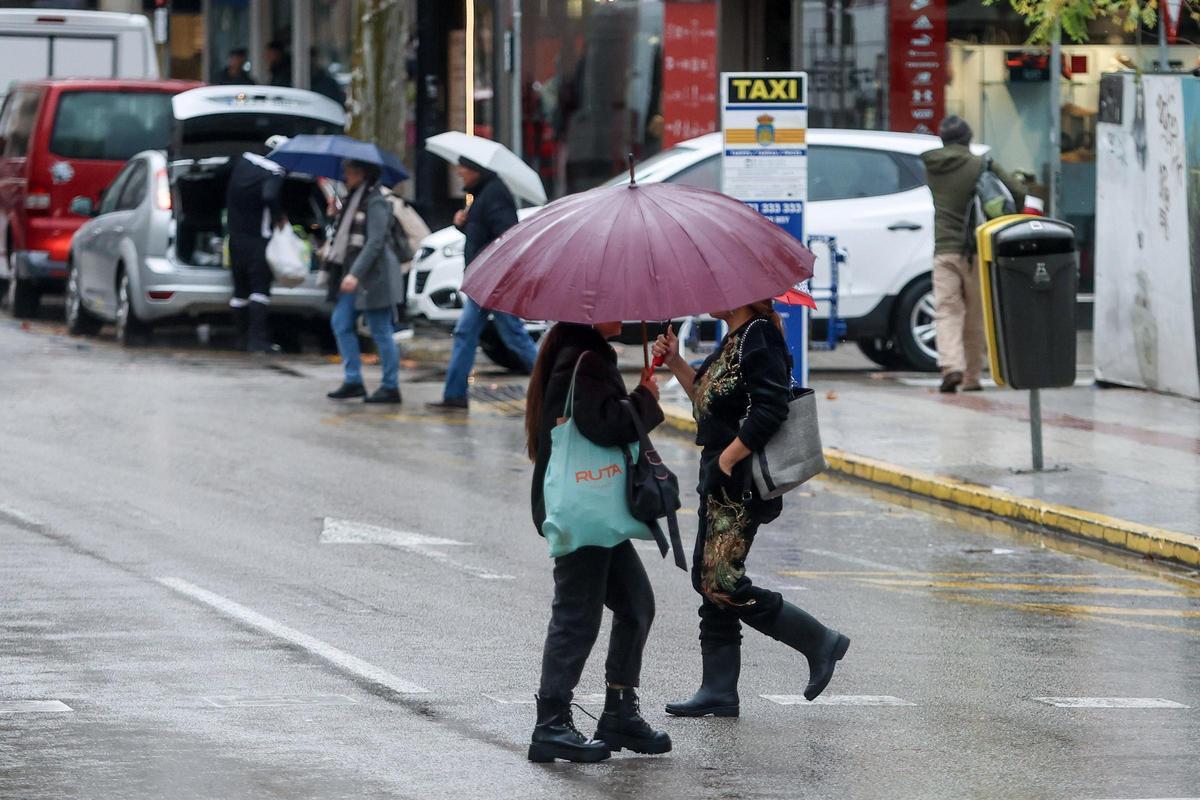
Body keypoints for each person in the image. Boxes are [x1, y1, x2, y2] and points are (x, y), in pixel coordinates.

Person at [653, 303, 850, 718]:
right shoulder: (735, 339)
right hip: (720, 476)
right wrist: (674, 361)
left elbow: (771, 407)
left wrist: (728, 459)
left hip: (740, 482)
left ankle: (818, 641)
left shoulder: (759, 336)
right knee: (709, 579)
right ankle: (718, 690)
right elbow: (709, 403)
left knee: (719, 580)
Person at [525, 321, 671, 763]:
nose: (624, 315)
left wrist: (640, 390)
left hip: (594, 510)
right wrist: (646, 398)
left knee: (635, 603)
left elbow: (600, 415)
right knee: (576, 614)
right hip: (584, 510)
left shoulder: (579, 352)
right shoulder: (583, 359)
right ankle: (550, 724)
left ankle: (620, 712)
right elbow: (604, 425)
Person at [426, 158, 540, 412]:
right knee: (468, 333)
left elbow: (506, 237)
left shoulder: (495, 194)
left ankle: (555, 384)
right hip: (484, 280)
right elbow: (484, 235)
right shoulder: (484, 195)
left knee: (514, 336)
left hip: (494, 280)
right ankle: (454, 394)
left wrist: (490, 269)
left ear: (477, 170)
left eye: (463, 168)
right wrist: (463, 226)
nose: (459, 173)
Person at [922, 115, 1025, 393]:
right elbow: (1016, 190)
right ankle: (971, 377)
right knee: (975, 315)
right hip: (978, 249)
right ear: (968, 139)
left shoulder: (931, 166)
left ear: (943, 139)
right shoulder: (980, 165)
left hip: (944, 250)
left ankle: (950, 366)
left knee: (946, 310)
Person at [324, 160, 403, 404]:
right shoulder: (352, 200)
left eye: (350, 171)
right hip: (356, 277)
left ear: (363, 173)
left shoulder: (376, 201)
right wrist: (333, 216)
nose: (345, 175)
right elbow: (344, 237)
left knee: (381, 330)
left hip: (373, 277)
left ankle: (390, 386)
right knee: (341, 322)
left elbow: (375, 242)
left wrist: (354, 274)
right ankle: (353, 380)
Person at [225, 150, 287, 353]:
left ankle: (240, 339)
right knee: (259, 290)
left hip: (235, 239)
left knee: (240, 291)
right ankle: (257, 340)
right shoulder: (275, 172)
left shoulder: (242, 162)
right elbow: (269, 195)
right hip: (259, 241)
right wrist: (279, 216)